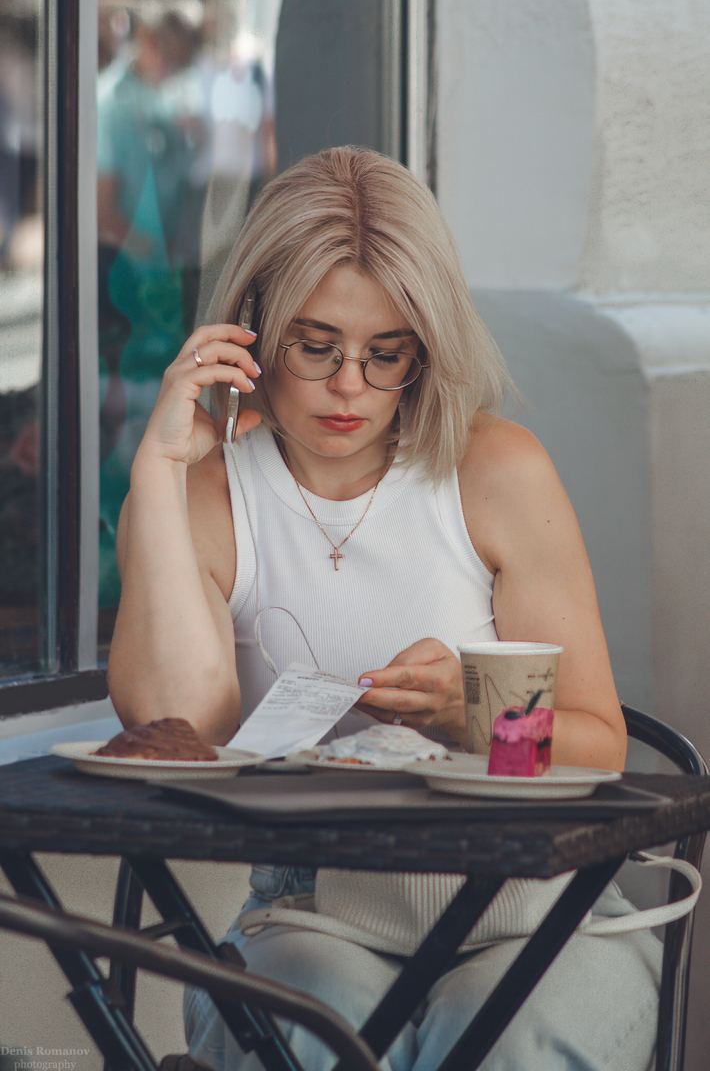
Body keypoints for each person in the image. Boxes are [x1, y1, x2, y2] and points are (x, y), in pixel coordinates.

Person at [107, 146, 661, 1071]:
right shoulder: (205, 494)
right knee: (317, 1031)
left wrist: (469, 715)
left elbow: (599, 740)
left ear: (426, 345)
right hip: (319, 904)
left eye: (387, 353)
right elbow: (182, 724)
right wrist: (158, 478)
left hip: (534, 896)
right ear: (250, 328)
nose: (350, 386)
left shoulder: (495, 471)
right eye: (314, 345)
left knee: (508, 1039)